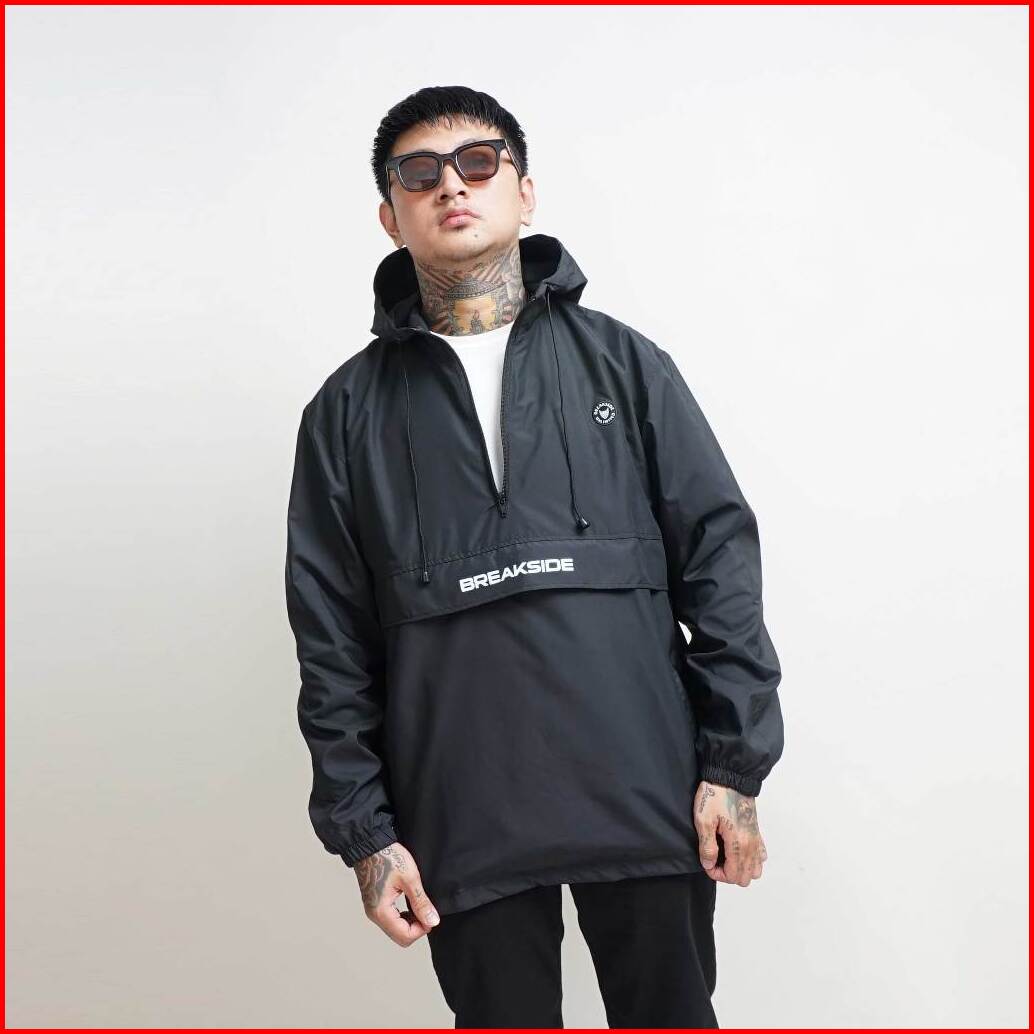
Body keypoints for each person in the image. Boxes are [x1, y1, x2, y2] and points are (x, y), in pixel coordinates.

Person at [284, 85, 785, 1029]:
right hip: (458, 804)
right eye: (418, 174)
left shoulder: (625, 365)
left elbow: (720, 562)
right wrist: (365, 836)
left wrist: (734, 765)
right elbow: (331, 640)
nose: (451, 186)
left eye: (478, 163)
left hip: (648, 782)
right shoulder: (345, 414)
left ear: (524, 192)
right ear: (390, 216)